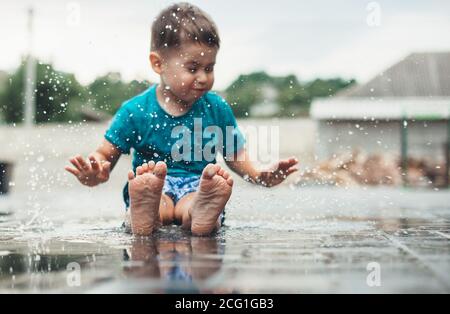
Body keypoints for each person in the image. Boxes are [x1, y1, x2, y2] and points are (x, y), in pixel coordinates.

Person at [65, 2, 299, 237]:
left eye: (209, 68)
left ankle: (201, 210)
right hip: (155, 186)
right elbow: (105, 154)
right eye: (193, 68)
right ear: (158, 64)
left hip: (199, 186)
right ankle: (147, 211)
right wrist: (94, 171)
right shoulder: (135, 111)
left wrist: (259, 175)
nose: (203, 78)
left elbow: (235, 155)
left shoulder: (216, 109)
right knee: (157, 204)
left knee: (195, 204)